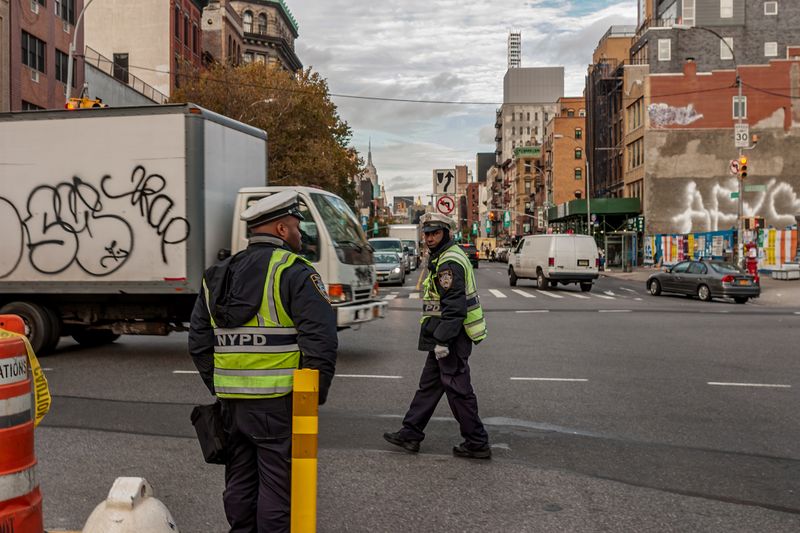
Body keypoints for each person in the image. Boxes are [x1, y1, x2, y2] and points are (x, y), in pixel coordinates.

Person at [188, 190, 338, 533]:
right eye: (297, 226)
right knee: (278, 490)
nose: (301, 234)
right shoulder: (294, 271)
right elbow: (321, 341)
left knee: (239, 482)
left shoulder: (216, 275)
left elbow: (198, 342)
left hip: (230, 404)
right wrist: (311, 399)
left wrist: (221, 382)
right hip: (277, 402)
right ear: (282, 230)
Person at [383, 213, 491, 459]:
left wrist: (443, 341)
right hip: (443, 334)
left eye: (435, 233)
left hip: (452, 336)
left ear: (446, 233)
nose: (429, 238)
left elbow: (454, 308)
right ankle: (410, 433)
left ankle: (477, 442)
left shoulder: (449, 263)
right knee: (430, 386)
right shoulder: (442, 256)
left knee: (458, 390)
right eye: (427, 233)